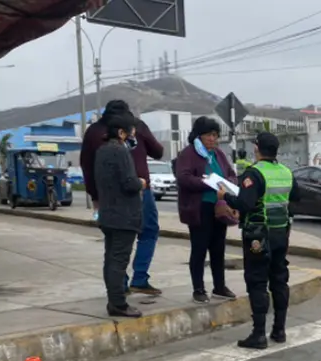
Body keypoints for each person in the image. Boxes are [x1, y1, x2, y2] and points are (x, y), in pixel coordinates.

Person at [80, 100, 165, 296]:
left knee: (114, 245)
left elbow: (86, 166)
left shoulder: (93, 132)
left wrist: (95, 196)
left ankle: (120, 286)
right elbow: (158, 152)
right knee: (148, 232)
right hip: (137, 191)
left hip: (106, 196)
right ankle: (139, 279)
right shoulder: (134, 128)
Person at [225, 132, 297, 349]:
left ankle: (258, 335)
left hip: (258, 234)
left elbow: (244, 203)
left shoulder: (254, 174)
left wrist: (224, 197)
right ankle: (279, 330)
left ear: (257, 148)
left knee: (257, 281)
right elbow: (295, 198)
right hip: (280, 234)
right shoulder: (286, 172)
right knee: (279, 279)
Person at [176, 116, 237, 304]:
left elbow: (231, 175)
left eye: (215, 135)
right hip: (199, 207)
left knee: (218, 248)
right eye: (209, 135)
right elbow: (183, 178)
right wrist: (206, 182)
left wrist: (229, 184)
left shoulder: (218, 154)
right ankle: (198, 288)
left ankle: (219, 286)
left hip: (219, 207)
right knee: (200, 248)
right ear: (199, 136)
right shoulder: (188, 154)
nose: (213, 139)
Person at [94, 112, 146, 318]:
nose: (133, 135)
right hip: (124, 216)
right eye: (131, 131)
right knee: (119, 261)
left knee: (110, 259)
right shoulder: (120, 152)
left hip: (108, 214)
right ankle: (118, 303)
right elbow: (128, 183)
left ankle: (113, 299)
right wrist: (141, 182)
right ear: (122, 132)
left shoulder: (102, 151)